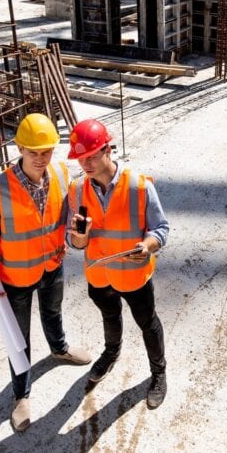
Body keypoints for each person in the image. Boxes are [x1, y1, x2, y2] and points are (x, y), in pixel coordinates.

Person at [0, 113, 91, 432]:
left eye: (47, 151)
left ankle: (59, 348)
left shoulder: (61, 172)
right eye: (33, 151)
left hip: (52, 265)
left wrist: (78, 238)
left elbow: (70, 221)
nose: (41, 158)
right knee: (19, 339)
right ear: (20, 149)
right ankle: (21, 396)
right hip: (15, 278)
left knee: (53, 313)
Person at [66, 119, 170, 409]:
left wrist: (148, 246)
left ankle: (158, 373)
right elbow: (72, 241)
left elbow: (161, 228)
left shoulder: (138, 186)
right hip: (99, 276)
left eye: (91, 156)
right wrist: (80, 237)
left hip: (134, 276)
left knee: (147, 323)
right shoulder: (76, 190)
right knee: (109, 317)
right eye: (80, 158)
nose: (85, 164)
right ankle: (111, 353)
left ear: (108, 150)